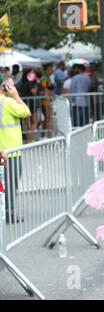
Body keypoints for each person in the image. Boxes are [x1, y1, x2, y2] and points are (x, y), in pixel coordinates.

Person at [0, 74, 31, 224]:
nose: (14, 89)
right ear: (4, 87)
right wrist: (17, 96)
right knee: (11, 185)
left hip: (4, 150)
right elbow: (27, 112)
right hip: (10, 152)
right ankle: (9, 213)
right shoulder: (8, 103)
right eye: (12, 86)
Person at [40, 64, 54, 138]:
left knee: (46, 119)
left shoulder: (47, 77)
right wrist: (47, 100)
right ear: (46, 70)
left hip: (46, 100)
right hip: (46, 101)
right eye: (49, 69)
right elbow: (45, 89)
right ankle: (50, 136)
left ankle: (43, 136)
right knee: (50, 118)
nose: (51, 71)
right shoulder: (45, 78)